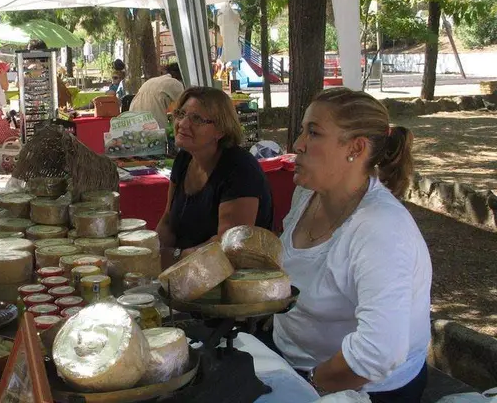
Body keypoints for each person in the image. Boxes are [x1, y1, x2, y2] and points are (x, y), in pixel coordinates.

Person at [271, 88, 431, 401]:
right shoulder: (308, 195)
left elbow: (377, 353)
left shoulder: (380, 227)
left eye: (313, 133)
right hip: (289, 363)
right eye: (303, 130)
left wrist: (307, 388)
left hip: (359, 389)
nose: (297, 144)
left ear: (356, 148)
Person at [156, 86, 273, 267]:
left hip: (232, 279)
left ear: (220, 130)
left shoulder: (240, 169)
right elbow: (168, 220)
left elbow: (228, 246)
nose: (183, 124)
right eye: (181, 114)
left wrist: (175, 257)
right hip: (184, 272)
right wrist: (153, 253)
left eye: (196, 119)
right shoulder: (184, 158)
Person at [129, 63, 185, 127]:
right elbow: (184, 106)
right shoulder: (176, 83)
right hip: (155, 127)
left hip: (133, 121)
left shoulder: (151, 81)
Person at [25, 39, 72, 108]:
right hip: (30, 107)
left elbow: (62, 73)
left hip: (45, 108)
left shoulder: (48, 67)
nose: (27, 52)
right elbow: (18, 83)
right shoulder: (26, 66)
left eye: (29, 49)